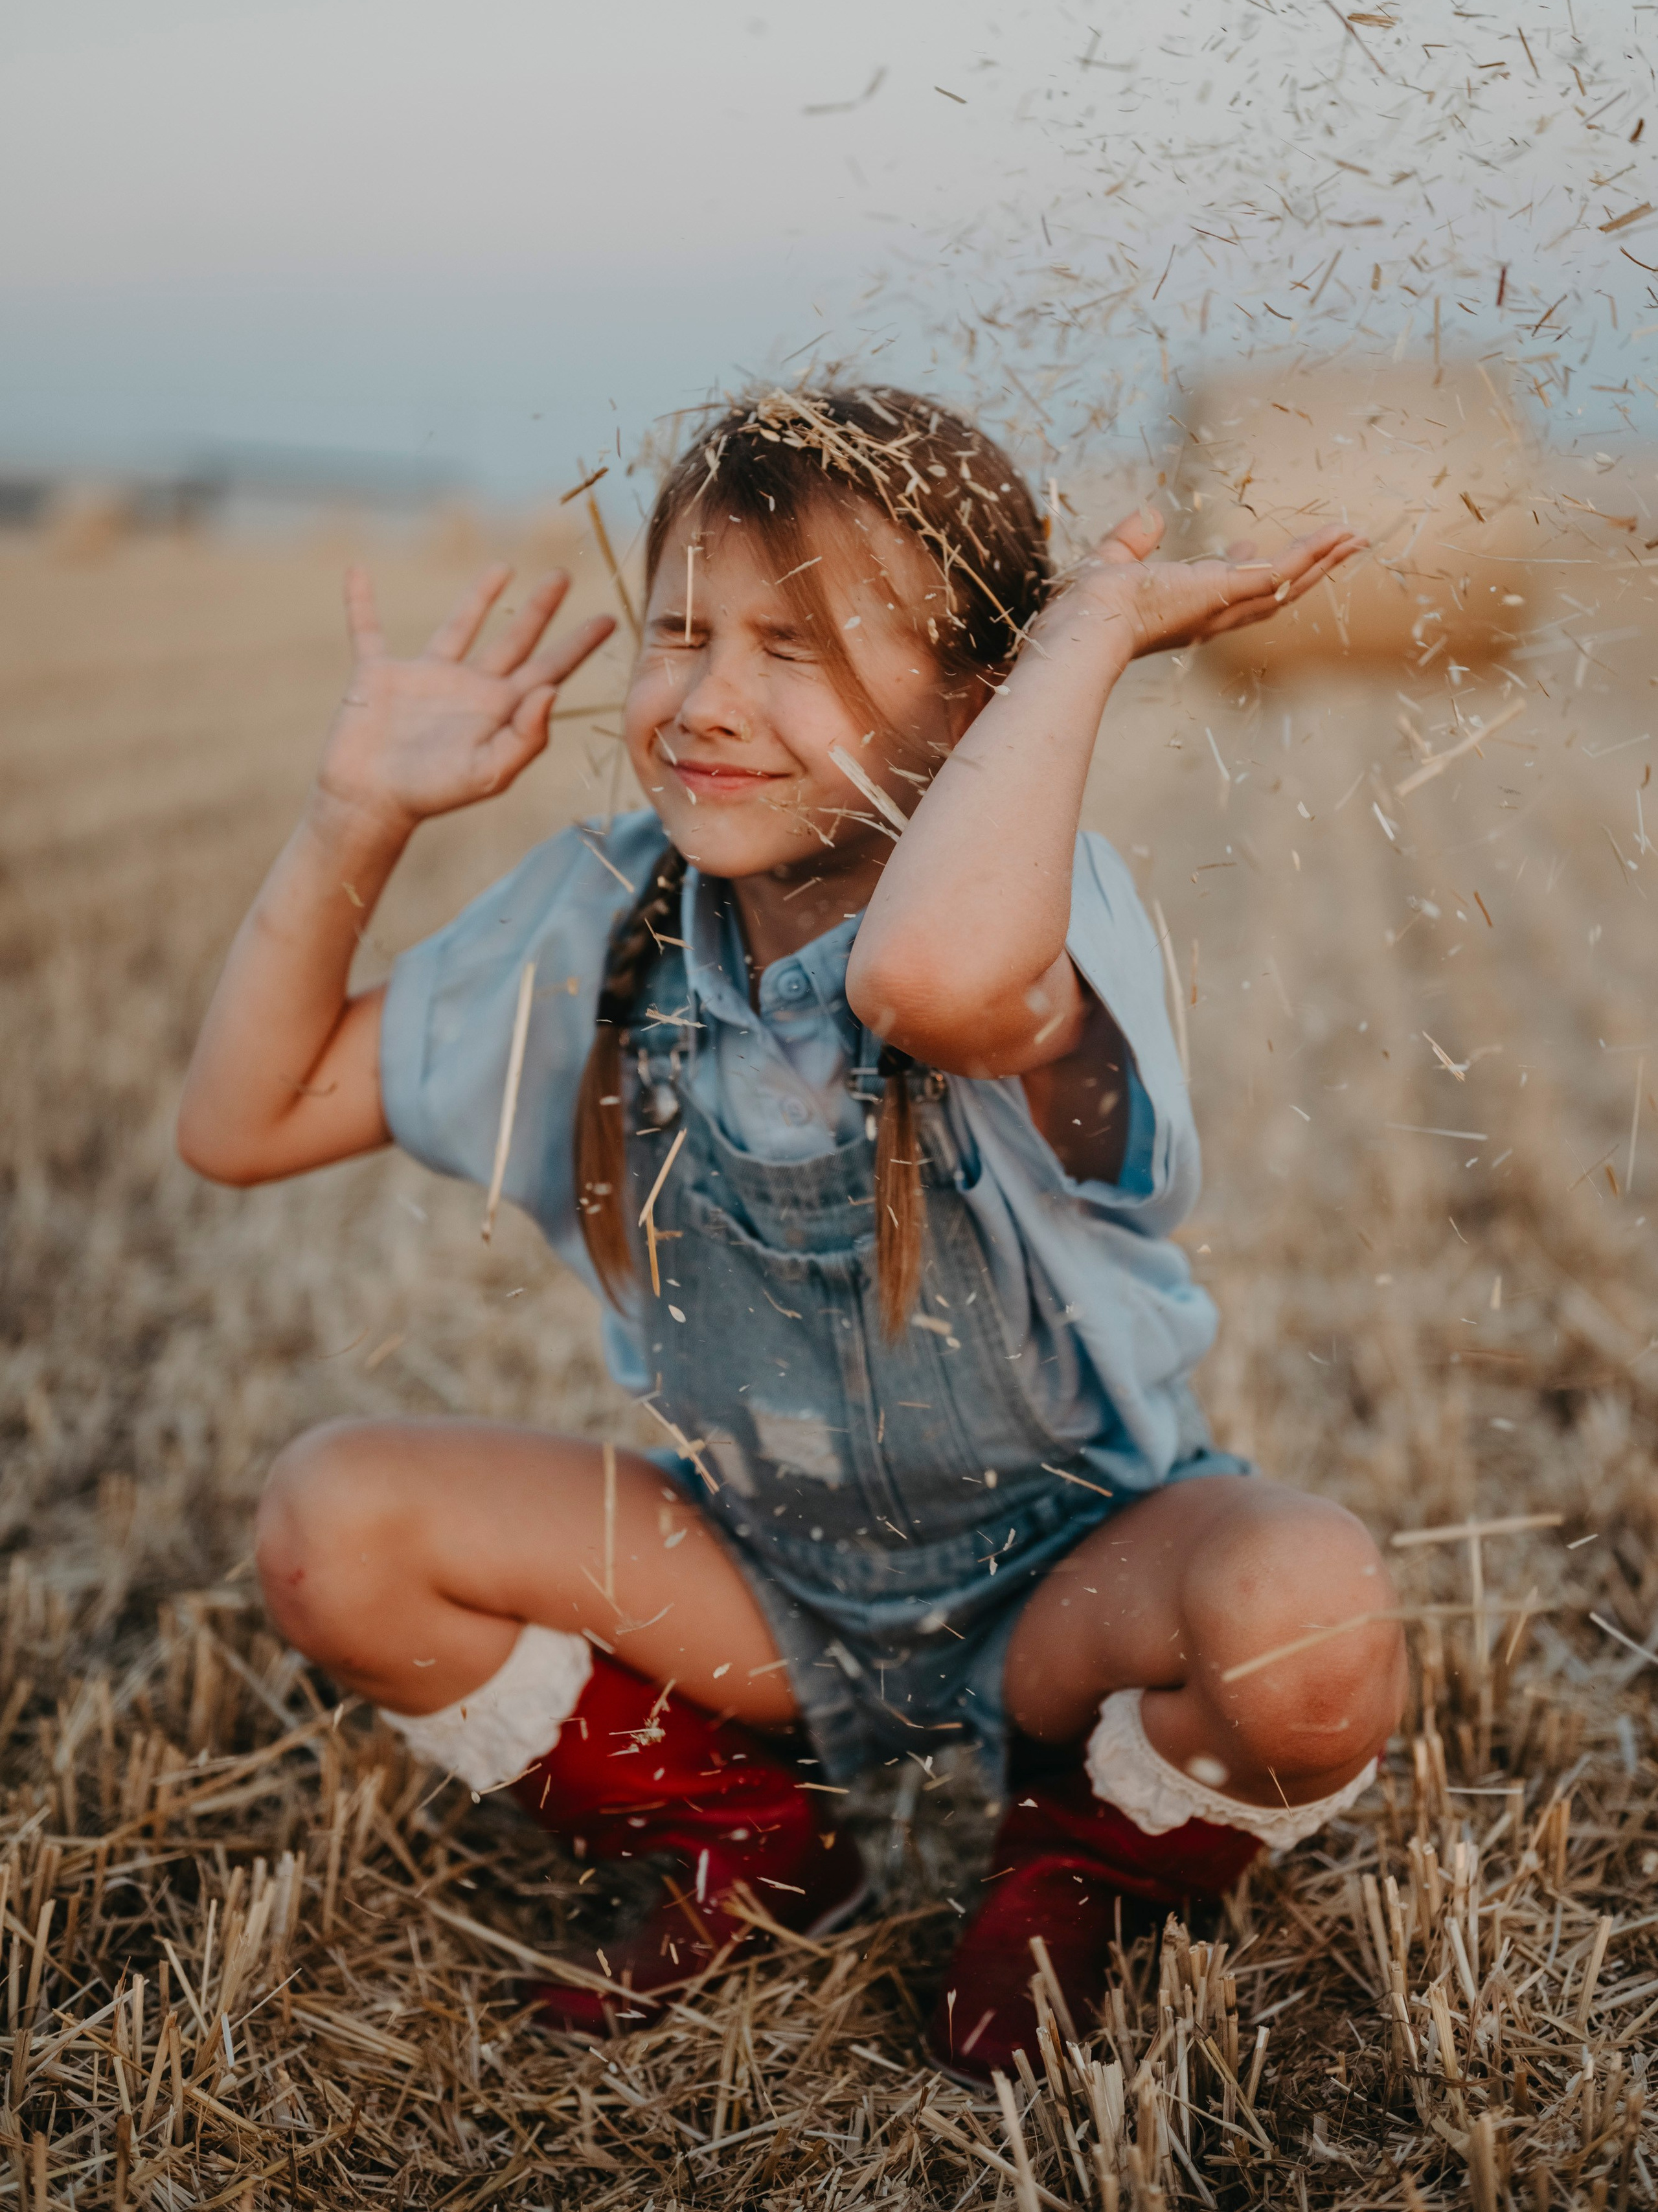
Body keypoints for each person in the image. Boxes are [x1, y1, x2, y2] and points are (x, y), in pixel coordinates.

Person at [177, 386, 1405, 2086]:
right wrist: (354, 819)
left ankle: (1087, 1853)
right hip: (755, 1583)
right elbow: (243, 1123)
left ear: (977, 698)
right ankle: (751, 1843)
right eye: (680, 631)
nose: (707, 699)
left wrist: (1085, 637)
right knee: (335, 1521)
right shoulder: (604, 917)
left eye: (800, 647)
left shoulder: (1038, 913)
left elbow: (932, 980)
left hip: (1077, 1576)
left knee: (1307, 1616)